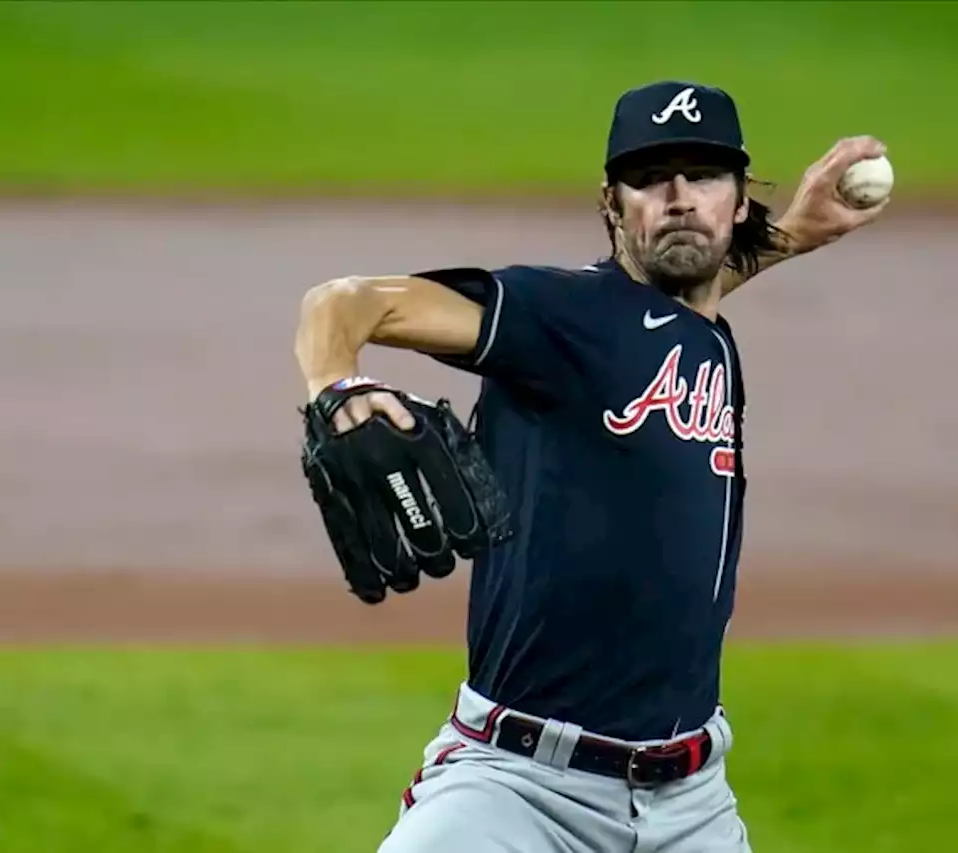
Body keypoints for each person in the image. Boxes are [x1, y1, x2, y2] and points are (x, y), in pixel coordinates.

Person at [294, 80, 888, 852]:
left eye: (703, 175)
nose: (679, 197)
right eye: (650, 179)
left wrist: (796, 235)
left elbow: (676, 306)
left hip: (694, 806)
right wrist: (337, 385)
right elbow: (342, 302)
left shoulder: (701, 333)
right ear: (612, 204)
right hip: (516, 789)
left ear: (741, 201)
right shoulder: (558, 316)